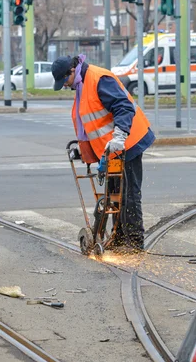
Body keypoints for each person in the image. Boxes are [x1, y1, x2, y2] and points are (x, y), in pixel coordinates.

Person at [52, 54, 155, 253]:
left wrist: (119, 136)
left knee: (129, 195)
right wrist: (83, 152)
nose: (64, 85)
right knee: (114, 194)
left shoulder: (99, 79)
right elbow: (93, 123)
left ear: (72, 71)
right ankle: (119, 239)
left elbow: (123, 107)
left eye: (64, 81)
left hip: (129, 142)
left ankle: (134, 244)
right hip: (112, 151)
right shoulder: (81, 86)